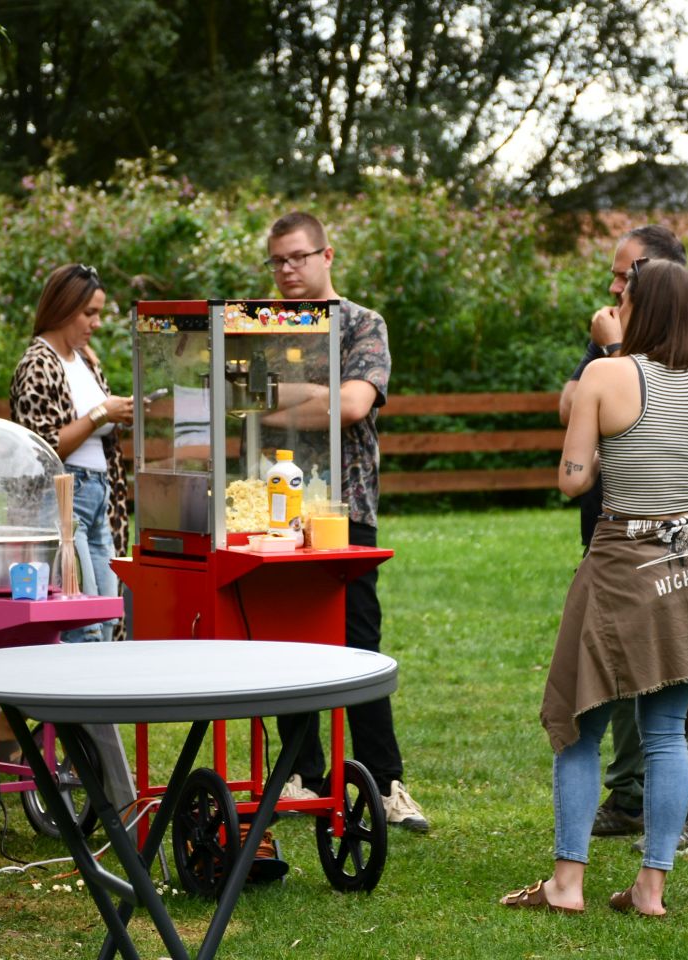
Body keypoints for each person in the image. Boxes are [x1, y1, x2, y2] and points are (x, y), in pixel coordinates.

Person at [501, 259, 688, 916]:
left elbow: (572, 477)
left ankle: (567, 883)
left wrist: (616, 458)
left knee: (581, 722)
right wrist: (682, 476)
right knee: (667, 731)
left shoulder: (604, 375)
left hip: (622, 563)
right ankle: (650, 888)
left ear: (637, 309)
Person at [559, 224, 688, 854]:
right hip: (616, 544)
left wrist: (612, 359)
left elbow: (578, 452)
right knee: (631, 688)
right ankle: (633, 804)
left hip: (666, 544)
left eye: (625, 276)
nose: (612, 287)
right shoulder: (611, 353)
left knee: (675, 689)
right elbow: (569, 407)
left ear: (655, 280)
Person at [263, 211, 428, 832]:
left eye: (299, 257)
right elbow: (233, 398)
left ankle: (384, 784)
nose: (287, 270)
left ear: (327, 255)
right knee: (286, 646)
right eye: (278, 260)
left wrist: (282, 397)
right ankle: (304, 775)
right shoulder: (260, 327)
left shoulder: (363, 324)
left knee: (359, 644)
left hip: (346, 511)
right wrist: (314, 398)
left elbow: (355, 406)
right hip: (271, 509)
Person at [10, 264, 133, 645]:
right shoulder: (37, 365)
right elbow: (42, 446)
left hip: (99, 497)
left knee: (110, 613)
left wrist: (120, 415)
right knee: (83, 618)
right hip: (64, 498)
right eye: (89, 313)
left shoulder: (85, 361)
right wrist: (101, 414)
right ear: (63, 308)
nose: (96, 323)